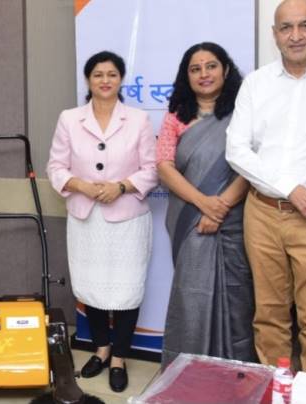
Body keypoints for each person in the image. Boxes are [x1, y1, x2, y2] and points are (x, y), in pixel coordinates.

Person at [46, 51, 158, 393]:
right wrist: (80, 185)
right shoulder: (70, 118)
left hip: (127, 219)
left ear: (121, 79)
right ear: (88, 80)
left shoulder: (138, 119)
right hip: (85, 217)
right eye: (98, 74)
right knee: (91, 286)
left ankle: (120, 357)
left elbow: (152, 170)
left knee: (126, 290)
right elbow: (55, 166)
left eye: (111, 74)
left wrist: (120, 187)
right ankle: (101, 349)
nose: (105, 80)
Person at [226, 0, 306, 371]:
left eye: (305, 25)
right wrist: (289, 187)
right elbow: (236, 150)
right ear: (275, 35)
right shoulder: (256, 83)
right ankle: (279, 390)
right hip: (262, 213)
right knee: (269, 315)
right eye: (286, 28)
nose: (296, 36)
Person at [157, 42, 256, 368]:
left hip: (235, 221)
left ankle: (239, 372)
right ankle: (188, 372)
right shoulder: (176, 117)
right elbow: (164, 167)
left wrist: (221, 207)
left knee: (238, 295)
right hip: (190, 219)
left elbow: (253, 165)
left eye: (211, 66)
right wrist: (204, 204)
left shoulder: (244, 111)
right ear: (186, 76)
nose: (204, 74)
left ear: (225, 69)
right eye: (195, 69)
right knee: (192, 296)